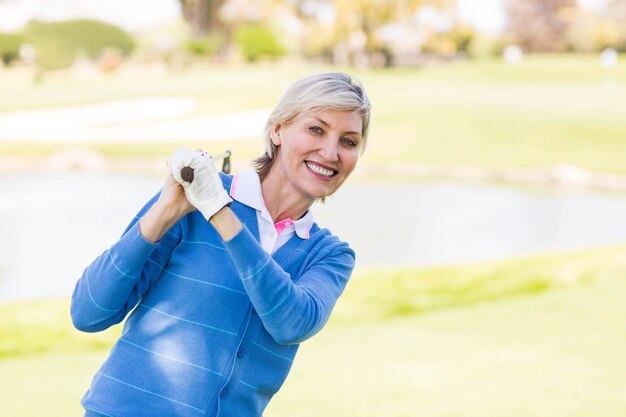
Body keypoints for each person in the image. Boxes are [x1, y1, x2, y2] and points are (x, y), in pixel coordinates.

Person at [71, 72, 371, 417]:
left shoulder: (329, 255)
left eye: (348, 142)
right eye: (316, 129)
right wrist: (165, 211)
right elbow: (89, 313)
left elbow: (291, 324)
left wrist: (218, 210)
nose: (331, 152)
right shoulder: (192, 198)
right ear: (277, 130)